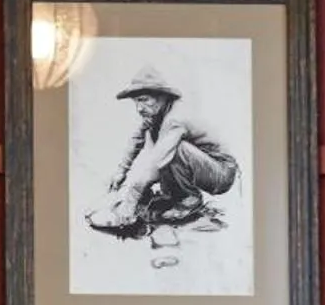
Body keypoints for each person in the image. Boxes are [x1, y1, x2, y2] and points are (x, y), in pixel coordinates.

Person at [86, 65, 240, 243]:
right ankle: (173, 196)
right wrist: (122, 171)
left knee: (175, 149)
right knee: (162, 146)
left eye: (144, 100)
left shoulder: (175, 119)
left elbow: (156, 161)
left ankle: (190, 199)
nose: (139, 108)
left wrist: (130, 201)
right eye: (136, 101)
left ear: (162, 97)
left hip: (221, 173)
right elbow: (136, 139)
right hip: (202, 165)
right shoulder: (156, 114)